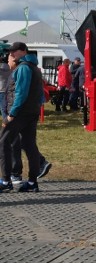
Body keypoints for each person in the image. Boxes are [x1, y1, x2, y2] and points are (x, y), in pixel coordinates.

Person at [0, 43, 47, 193]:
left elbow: (21, 92)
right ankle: (32, 182)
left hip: (21, 112)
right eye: (10, 52)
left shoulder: (24, 68)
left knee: (3, 142)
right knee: (29, 144)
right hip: (31, 112)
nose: (11, 54)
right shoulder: (34, 67)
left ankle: (6, 180)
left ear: (22, 51)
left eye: (14, 52)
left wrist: (12, 114)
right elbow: (39, 93)